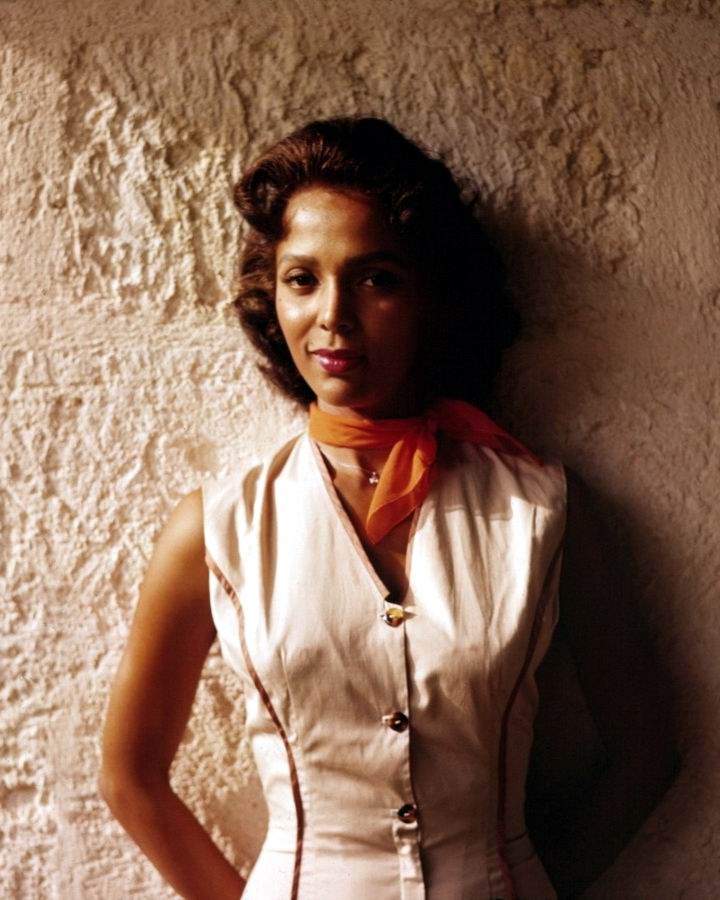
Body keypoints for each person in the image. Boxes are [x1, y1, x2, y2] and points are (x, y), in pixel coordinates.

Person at [100, 117, 676, 900]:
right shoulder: (218, 528)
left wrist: (518, 877)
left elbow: (646, 751)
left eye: (376, 279)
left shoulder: (542, 510)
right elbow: (130, 776)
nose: (333, 315)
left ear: (430, 295)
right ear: (272, 296)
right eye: (303, 279)